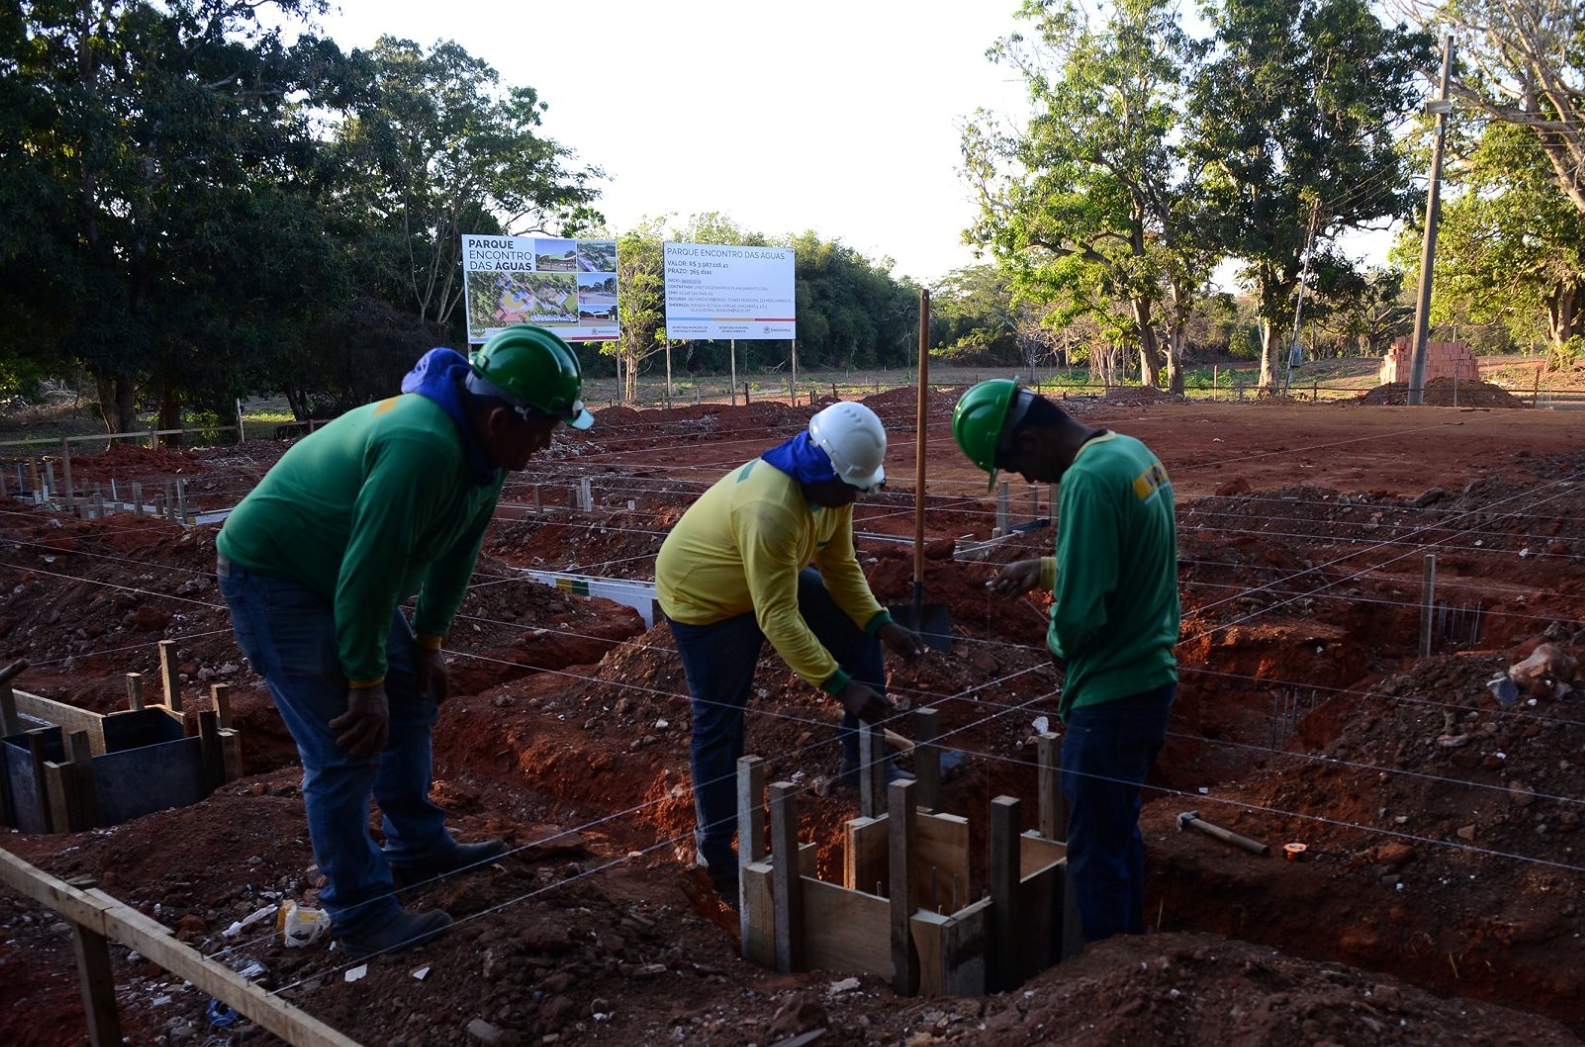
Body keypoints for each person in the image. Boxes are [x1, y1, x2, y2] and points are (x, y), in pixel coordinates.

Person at [216, 326, 594, 957]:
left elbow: (457, 550)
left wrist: (428, 640)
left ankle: (416, 847)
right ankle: (361, 916)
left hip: (339, 575)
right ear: (502, 417)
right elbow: (371, 569)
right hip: (277, 576)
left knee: (412, 698)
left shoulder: (486, 451)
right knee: (346, 745)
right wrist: (364, 683)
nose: (549, 443)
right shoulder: (421, 445)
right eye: (545, 428)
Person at [654, 401, 926, 903]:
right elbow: (776, 616)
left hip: (763, 575)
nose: (855, 496)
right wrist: (842, 687)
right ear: (823, 470)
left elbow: (840, 565)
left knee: (856, 630)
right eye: (851, 486)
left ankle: (862, 762)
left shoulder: (834, 491)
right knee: (719, 721)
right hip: (705, 598)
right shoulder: (772, 510)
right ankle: (714, 851)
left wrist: (881, 623)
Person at [952, 379, 1179, 941]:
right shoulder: (1129, 453)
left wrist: (1056, 646)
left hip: (1110, 696)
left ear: (1030, 440)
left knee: (1094, 855)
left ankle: (1107, 976)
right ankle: (1132, 956)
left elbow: (1078, 618)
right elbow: (1117, 556)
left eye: (1014, 466)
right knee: (1117, 836)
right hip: (1149, 683)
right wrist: (1046, 566)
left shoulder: (1084, 479)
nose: (1026, 481)